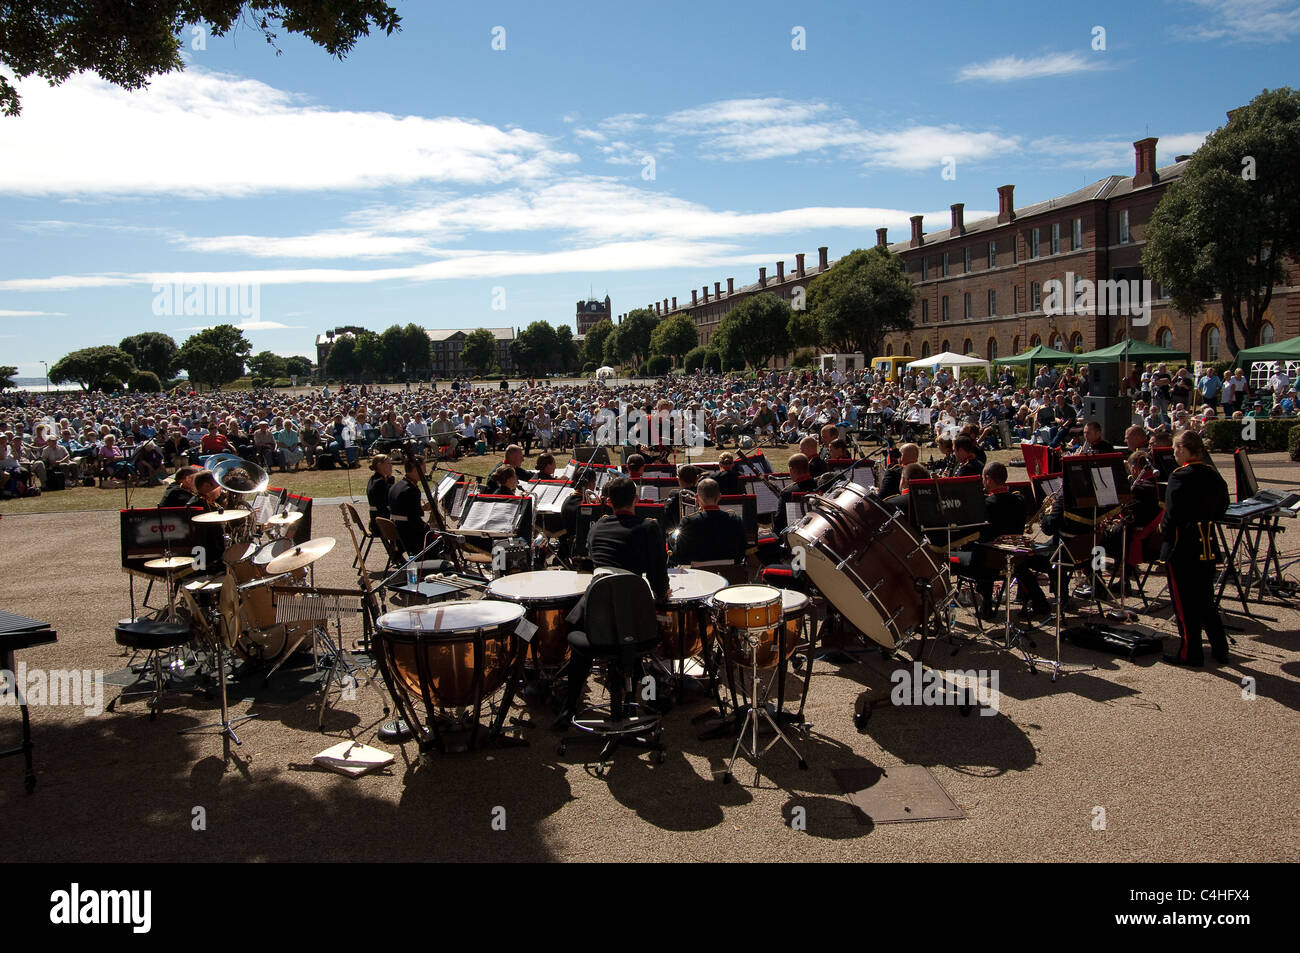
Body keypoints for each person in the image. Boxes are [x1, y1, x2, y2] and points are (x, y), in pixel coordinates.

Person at [557, 476, 669, 729]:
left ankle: (569, 705)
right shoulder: (649, 528)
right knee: (637, 639)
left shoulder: (597, 527)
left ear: (607, 503)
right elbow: (659, 581)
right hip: (637, 627)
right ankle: (648, 699)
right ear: (636, 500)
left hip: (597, 621)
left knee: (581, 638)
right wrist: (662, 594)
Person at [1160, 431, 1230, 665]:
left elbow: (1171, 516)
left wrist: (1164, 533)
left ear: (1182, 448)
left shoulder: (1180, 476)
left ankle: (1191, 652)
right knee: (1206, 600)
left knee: (1185, 605)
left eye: (1175, 448)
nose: (1173, 453)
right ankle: (1220, 648)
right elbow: (1222, 508)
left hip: (1183, 546)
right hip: (1207, 542)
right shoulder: (1213, 475)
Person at [671, 478, 747, 566]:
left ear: (697, 498)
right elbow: (742, 552)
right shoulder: (735, 519)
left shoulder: (688, 521)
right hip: (730, 574)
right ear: (719, 497)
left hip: (698, 575)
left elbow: (679, 556)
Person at [388, 457, 431, 556]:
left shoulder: (396, 486)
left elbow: (405, 510)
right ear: (416, 469)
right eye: (424, 467)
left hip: (398, 531)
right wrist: (430, 528)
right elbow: (415, 520)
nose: (425, 471)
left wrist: (421, 508)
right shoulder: (411, 489)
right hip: (410, 536)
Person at [773, 453, 816, 536]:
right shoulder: (820, 486)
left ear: (792, 470)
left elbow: (779, 524)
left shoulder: (787, 493)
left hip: (794, 538)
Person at [366, 454, 395, 529]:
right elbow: (387, 504)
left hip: (376, 520)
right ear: (380, 466)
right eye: (388, 464)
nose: (391, 466)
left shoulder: (374, 479)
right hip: (381, 525)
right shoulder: (379, 483)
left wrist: (390, 479)